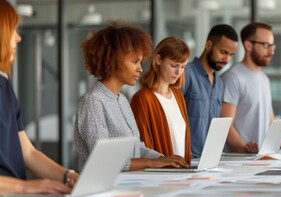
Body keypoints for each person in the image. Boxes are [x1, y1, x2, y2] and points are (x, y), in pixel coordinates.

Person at [74, 21, 189, 171]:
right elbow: (103, 159)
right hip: (102, 190)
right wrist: (151, 163)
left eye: (140, 62)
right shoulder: (93, 101)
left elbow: (138, 148)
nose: (140, 69)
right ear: (113, 59)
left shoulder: (122, 100)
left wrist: (163, 159)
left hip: (126, 186)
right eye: (135, 61)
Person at [0, 0, 78, 195]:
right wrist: (24, 187)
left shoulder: (4, 86)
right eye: (12, 30)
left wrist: (67, 176)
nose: (18, 38)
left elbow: (29, 153)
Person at [221, 22, 281, 153]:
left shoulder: (264, 79)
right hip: (239, 161)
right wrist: (243, 149)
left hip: (261, 157)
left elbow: (270, 121)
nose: (271, 51)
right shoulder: (233, 77)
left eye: (272, 46)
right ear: (248, 45)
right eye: (266, 45)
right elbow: (225, 125)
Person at [130, 37, 191, 163]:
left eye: (183, 67)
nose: (178, 72)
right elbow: (142, 148)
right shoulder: (142, 99)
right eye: (174, 65)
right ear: (158, 60)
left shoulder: (178, 96)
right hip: (159, 176)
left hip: (181, 174)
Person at [182, 24, 239, 158]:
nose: (227, 59)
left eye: (231, 55)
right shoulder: (186, 74)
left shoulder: (219, 83)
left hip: (210, 160)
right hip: (187, 160)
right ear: (208, 45)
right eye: (223, 52)